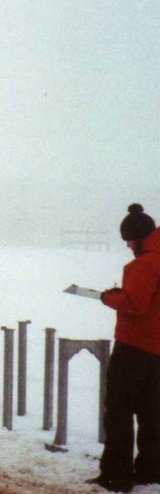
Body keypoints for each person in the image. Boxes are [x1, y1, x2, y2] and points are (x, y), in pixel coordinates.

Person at [93, 204, 160, 493]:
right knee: (153, 413)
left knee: (118, 410)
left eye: (129, 240)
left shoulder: (144, 264)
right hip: (157, 352)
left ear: (138, 237)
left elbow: (135, 304)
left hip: (134, 348)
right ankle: (151, 470)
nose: (128, 246)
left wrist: (109, 297)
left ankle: (116, 474)